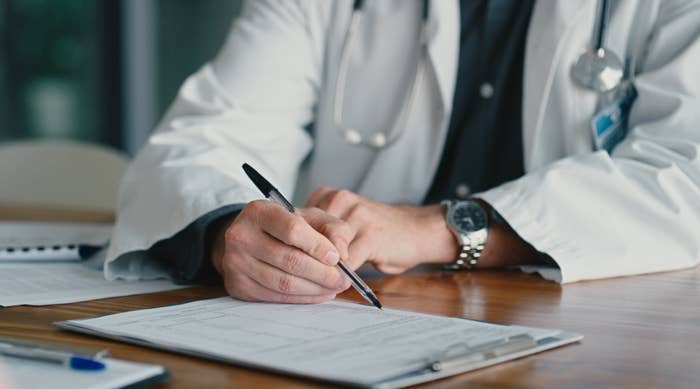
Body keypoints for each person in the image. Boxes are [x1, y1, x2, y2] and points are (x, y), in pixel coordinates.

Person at [105, 0, 700, 304]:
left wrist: (438, 229)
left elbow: (685, 173)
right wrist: (229, 232)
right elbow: (204, 137)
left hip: (600, 334)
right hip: (355, 327)